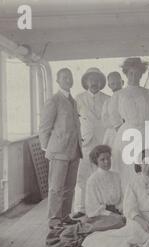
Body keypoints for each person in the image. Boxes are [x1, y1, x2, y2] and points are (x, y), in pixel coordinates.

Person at [82, 150, 149, 247]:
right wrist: (143, 222)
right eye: (145, 163)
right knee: (136, 233)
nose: (148, 167)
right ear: (140, 163)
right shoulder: (133, 182)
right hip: (138, 218)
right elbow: (129, 207)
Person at [39, 68, 82, 229]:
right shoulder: (54, 100)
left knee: (69, 187)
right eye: (64, 77)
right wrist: (47, 149)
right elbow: (44, 127)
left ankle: (65, 216)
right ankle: (54, 220)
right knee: (56, 187)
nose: (68, 80)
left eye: (70, 77)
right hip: (58, 152)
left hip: (74, 150)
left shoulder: (73, 101)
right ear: (58, 81)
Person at [108, 57, 149, 193]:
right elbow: (114, 117)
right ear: (126, 73)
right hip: (127, 135)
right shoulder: (119, 95)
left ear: (141, 74)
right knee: (128, 168)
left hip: (147, 134)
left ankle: (147, 202)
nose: (134, 76)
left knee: (146, 166)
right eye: (131, 73)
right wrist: (127, 130)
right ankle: (128, 203)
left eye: (137, 73)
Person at [74, 68, 109, 217]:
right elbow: (75, 121)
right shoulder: (79, 98)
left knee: (100, 175)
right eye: (91, 80)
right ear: (86, 82)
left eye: (97, 80)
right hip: (85, 143)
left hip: (102, 142)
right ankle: (81, 209)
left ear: (101, 82)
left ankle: (100, 208)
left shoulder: (108, 99)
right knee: (82, 177)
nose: (94, 83)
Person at [85, 145, 124, 218]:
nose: (107, 162)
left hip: (118, 213)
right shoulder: (92, 180)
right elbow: (92, 208)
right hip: (101, 215)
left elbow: (122, 198)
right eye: (102, 159)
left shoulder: (116, 176)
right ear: (96, 161)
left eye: (108, 158)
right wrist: (112, 215)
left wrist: (121, 211)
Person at [102, 72, 124, 149]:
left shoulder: (129, 99)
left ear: (123, 82)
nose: (116, 86)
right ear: (109, 85)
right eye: (113, 84)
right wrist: (117, 123)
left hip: (128, 130)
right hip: (113, 134)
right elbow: (104, 121)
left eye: (118, 83)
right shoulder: (107, 102)